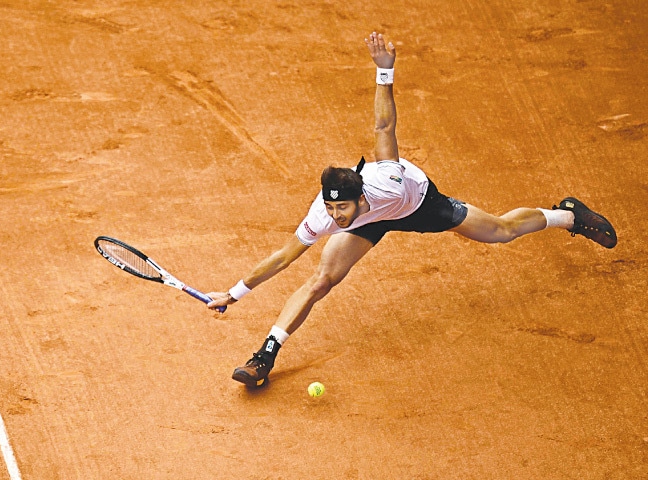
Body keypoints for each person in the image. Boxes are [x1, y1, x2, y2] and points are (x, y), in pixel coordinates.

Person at [206, 32, 617, 388]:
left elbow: (384, 128)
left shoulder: (388, 181)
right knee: (320, 281)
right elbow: (283, 256)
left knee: (501, 231)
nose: (334, 216)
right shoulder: (326, 213)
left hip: (421, 206)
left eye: (341, 208)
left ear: (361, 197)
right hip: (374, 223)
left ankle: (568, 215)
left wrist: (384, 70)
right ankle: (265, 356)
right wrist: (234, 293)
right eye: (330, 207)